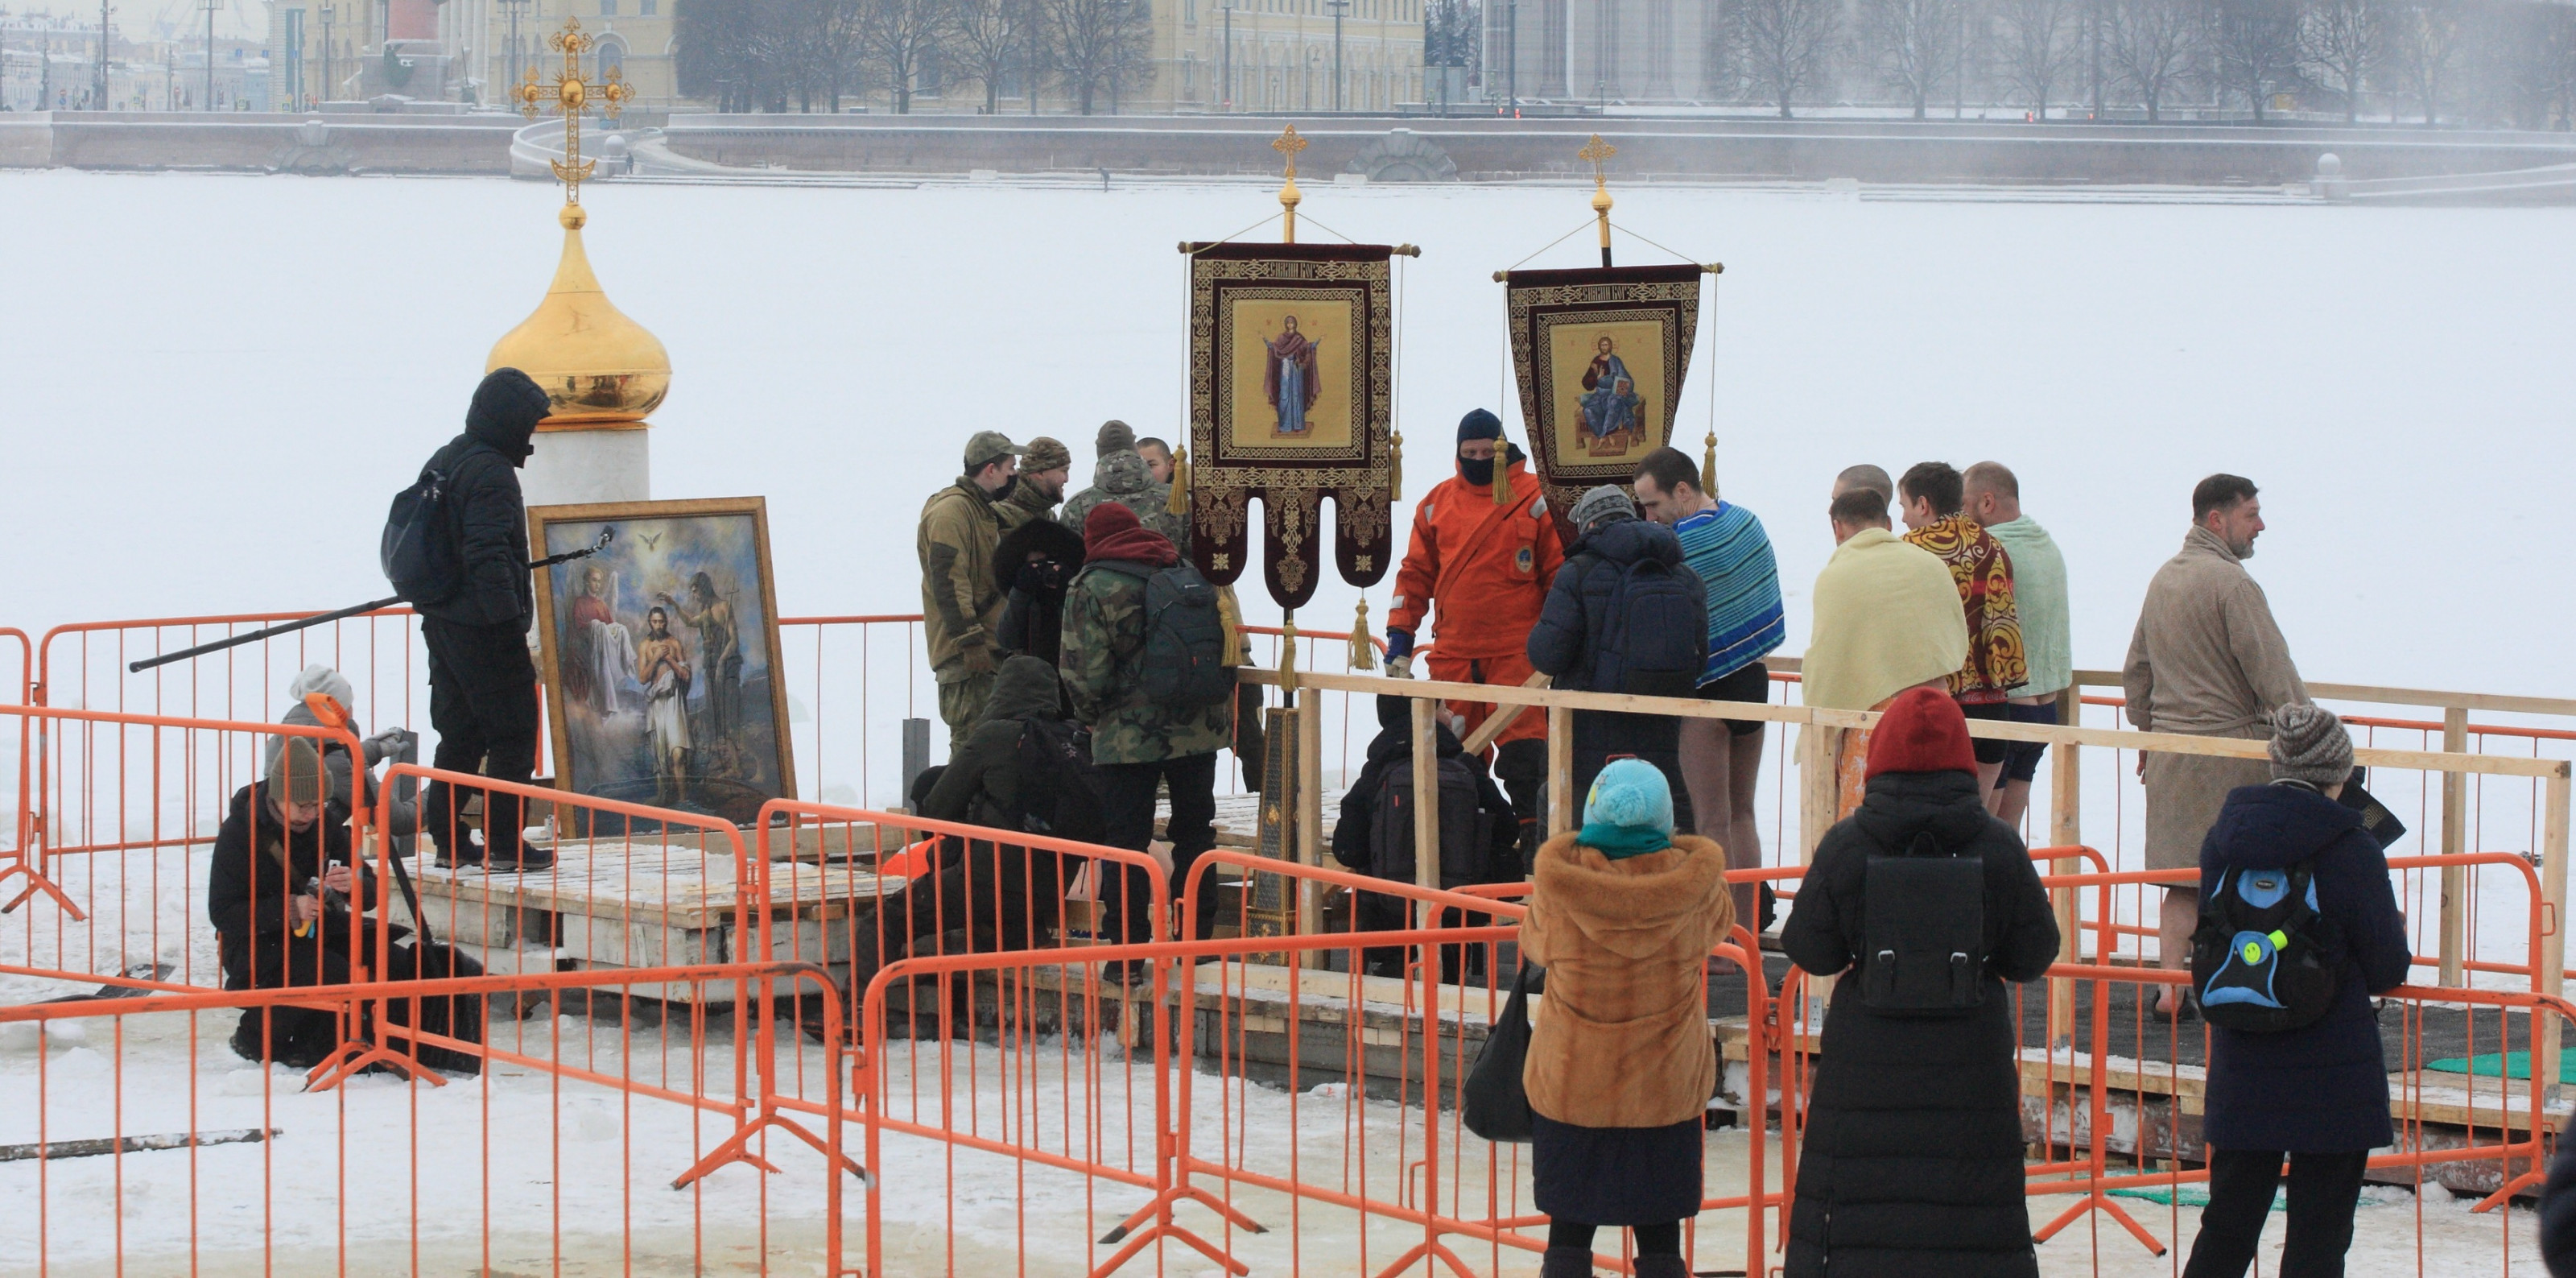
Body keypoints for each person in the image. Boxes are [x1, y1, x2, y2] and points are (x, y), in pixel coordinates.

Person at [1779, 687, 2062, 1278]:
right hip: (1971, 1069)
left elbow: (1808, 946)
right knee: (1972, 1222)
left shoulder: (1849, 844)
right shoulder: (1998, 847)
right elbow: (2035, 952)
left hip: (1864, 1070)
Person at [2182, 705, 2409, 1278]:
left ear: (2277, 763)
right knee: (2318, 1237)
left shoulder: (2223, 841)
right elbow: (2386, 965)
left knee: (2228, 1227)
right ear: (2340, 773)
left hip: (2244, 1067)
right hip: (2333, 1073)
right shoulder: (2353, 848)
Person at [1521, 759, 1733, 1278]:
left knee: (1568, 1232)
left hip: (1574, 1083)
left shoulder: (1560, 886)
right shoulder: (1695, 888)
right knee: (1661, 1237)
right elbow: (1720, 926)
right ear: (1663, 821)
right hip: (1664, 1087)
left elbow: (1535, 945)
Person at [2124, 474, 2308, 1016]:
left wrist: (2147, 731)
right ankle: (2241, 984)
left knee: (2181, 881)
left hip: (2172, 754)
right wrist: (2313, 738)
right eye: (2250, 514)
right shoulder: (2234, 586)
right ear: (2216, 520)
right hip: (2234, 759)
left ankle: (2169, 991)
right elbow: (2275, 673)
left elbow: (2136, 670)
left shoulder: (2166, 579)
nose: (2261, 524)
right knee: (2246, 878)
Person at [1388, 409, 1565, 862]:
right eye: (1471, 453)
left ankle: (1536, 869)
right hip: (1454, 661)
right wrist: (1399, 639)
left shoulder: (1535, 498)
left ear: (1505, 449)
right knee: (1453, 769)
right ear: (1458, 453)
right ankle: (1465, 862)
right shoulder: (1436, 504)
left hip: (1520, 664)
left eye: (1489, 452)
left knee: (1529, 769)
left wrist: (1561, 645)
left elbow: (1558, 578)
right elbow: (1414, 575)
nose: (1480, 459)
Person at [1059, 503, 1232, 961]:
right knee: (1196, 834)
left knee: (1126, 844)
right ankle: (1196, 941)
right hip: (1198, 729)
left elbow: (1084, 671)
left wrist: (1091, 715)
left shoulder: (1093, 585)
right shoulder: (1185, 569)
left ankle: (1129, 952)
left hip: (1126, 738)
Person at [1634, 446, 1783, 931]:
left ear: (1682, 491)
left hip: (1707, 688)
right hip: (1753, 679)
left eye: (1653, 504)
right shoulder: (1746, 521)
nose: (1650, 517)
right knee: (1744, 814)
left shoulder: (1680, 546)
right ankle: (1744, 929)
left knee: (1711, 821)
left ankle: (1718, 936)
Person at [416, 367, 554, 872]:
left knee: (461, 733)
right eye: (529, 426)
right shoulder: (493, 472)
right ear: (507, 422)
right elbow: (488, 553)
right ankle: (504, 844)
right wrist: (508, 621)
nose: (531, 438)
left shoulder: (447, 457)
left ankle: (450, 842)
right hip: (483, 626)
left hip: (442, 619)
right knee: (514, 732)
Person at [1526, 484, 1703, 835]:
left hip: (1586, 735)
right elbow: (1699, 659)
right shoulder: (1684, 575)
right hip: (1664, 733)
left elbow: (1547, 654)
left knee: (1579, 833)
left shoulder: (1579, 571)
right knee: (1657, 828)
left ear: (1590, 526)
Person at [208, 737, 387, 1067]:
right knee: (332, 973)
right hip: (256, 942)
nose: (310, 814)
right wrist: (289, 909)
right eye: (302, 805)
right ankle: (262, 1039)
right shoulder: (239, 833)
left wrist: (354, 885)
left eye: (317, 805)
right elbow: (222, 912)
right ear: (277, 797)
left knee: (387, 956)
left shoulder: (326, 823)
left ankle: (363, 1041)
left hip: (321, 930)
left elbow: (371, 891)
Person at [1802, 486, 1968, 818]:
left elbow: (1828, 658)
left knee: (1869, 825)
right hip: (1940, 712)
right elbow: (1955, 638)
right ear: (1889, 524)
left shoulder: (1838, 575)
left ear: (1837, 528)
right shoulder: (1929, 564)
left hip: (1875, 721)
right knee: (1937, 818)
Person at [1330, 694, 1519, 979]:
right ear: (1426, 717)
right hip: (1457, 917)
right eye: (1444, 708)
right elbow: (1508, 829)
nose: (1452, 713)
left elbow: (1346, 849)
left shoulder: (1376, 772)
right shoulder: (1465, 766)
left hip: (1388, 918)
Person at [1897, 461, 2028, 799]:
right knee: (1976, 824)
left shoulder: (1907, 551)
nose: (1902, 518)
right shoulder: (1994, 548)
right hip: (1992, 712)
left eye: (1904, 506)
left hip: (1935, 710)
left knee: (1931, 825)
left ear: (1923, 505)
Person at [1964, 461, 2071, 825]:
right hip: (2046, 708)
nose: (1962, 515)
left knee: (1980, 829)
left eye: (1965, 505)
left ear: (1987, 502)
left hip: (2010, 703)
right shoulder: (2045, 544)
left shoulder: (1993, 550)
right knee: (2009, 829)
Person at [919, 430, 1022, 750]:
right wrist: (970, 642)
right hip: (969, 658)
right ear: (990, 470)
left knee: (988, 746)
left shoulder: (979, 509)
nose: (1014, 475)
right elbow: (949, 582)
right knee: (971, 748)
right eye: (1010, 467)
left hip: (987, 650)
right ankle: (957, 802)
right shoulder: (952, 511)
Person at [262, 665, 421, 838]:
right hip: (311, 848)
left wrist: (374, 748)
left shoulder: (282, 736)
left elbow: (327, 757)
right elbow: (400, 821)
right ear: (339, 707)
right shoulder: (337, 756)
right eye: (349, 704)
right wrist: (444, 783)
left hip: (283, 840)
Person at [1061, 420, 1190, 548]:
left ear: (1099, 454)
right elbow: (1197, 555)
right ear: (1134, 449)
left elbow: (1069, 561)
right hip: (1167, 566)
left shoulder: (1077, 506)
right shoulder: (1178, 499)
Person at [993, 511, 1087, 668]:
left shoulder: (1078, 591)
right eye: (1037, 565)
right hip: (1033, 678)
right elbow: (1007, 639)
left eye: (1050, 563)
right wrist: (1021, 591)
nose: (1046, 571)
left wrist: (1070, 588)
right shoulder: (1023, 597)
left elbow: (1088, 631)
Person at [1000, 435, 1072, 529]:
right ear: (1040, 472)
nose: (1067, 479)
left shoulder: (1048, 516)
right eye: (1064, 471)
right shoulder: (1002, 516)